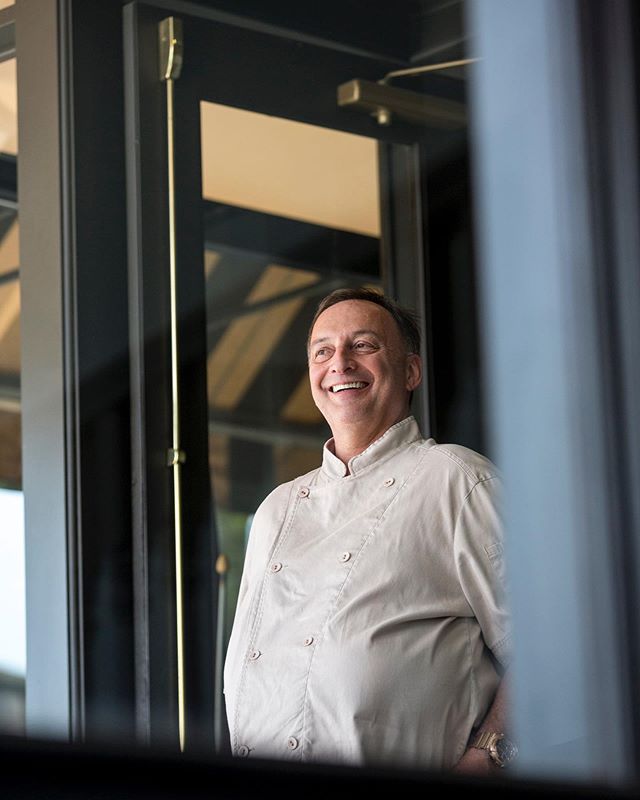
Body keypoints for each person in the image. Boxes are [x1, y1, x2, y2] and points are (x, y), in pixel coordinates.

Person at [223, 287, 514, 773]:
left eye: (363, 345)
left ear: (410, 372)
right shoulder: (277, 509)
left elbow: (549, 647)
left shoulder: (458, 481)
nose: (339, 363)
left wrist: (489, 755)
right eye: (323, 351)